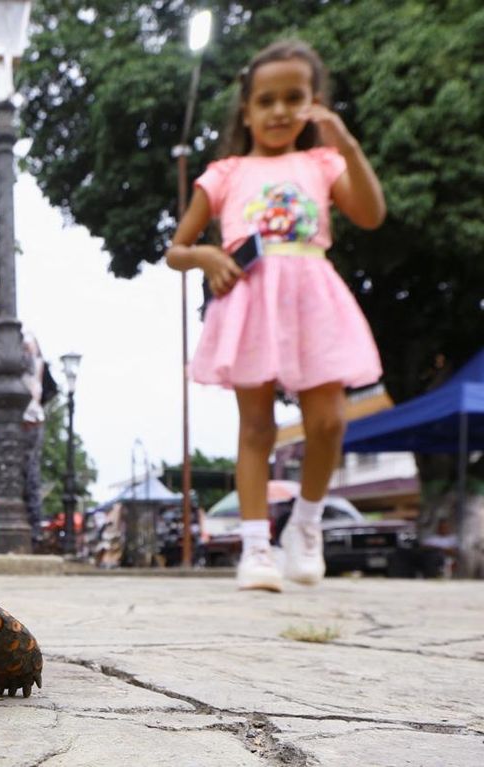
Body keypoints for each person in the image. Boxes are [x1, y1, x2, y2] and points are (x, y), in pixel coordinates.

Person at [166, 40, 386, 592]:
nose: (280, 110)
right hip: (251, 301)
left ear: (314, 102)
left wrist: (349, 146)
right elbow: (177, 249)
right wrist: (207, 255)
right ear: (247, 110)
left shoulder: (323, 162)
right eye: (266, 100)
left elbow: (371, 214)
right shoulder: (225, 172)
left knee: (329, 420)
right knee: (257, 427)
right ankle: (257, 547)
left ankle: (305, 527)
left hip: (313, 293)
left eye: (294, 97)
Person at [0, 284, 46, 549]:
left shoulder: (19, 337)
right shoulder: (0, 341)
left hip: (23, 420)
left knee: (25, 480)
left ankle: (33, 538)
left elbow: (7, 387)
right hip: (2, 423)